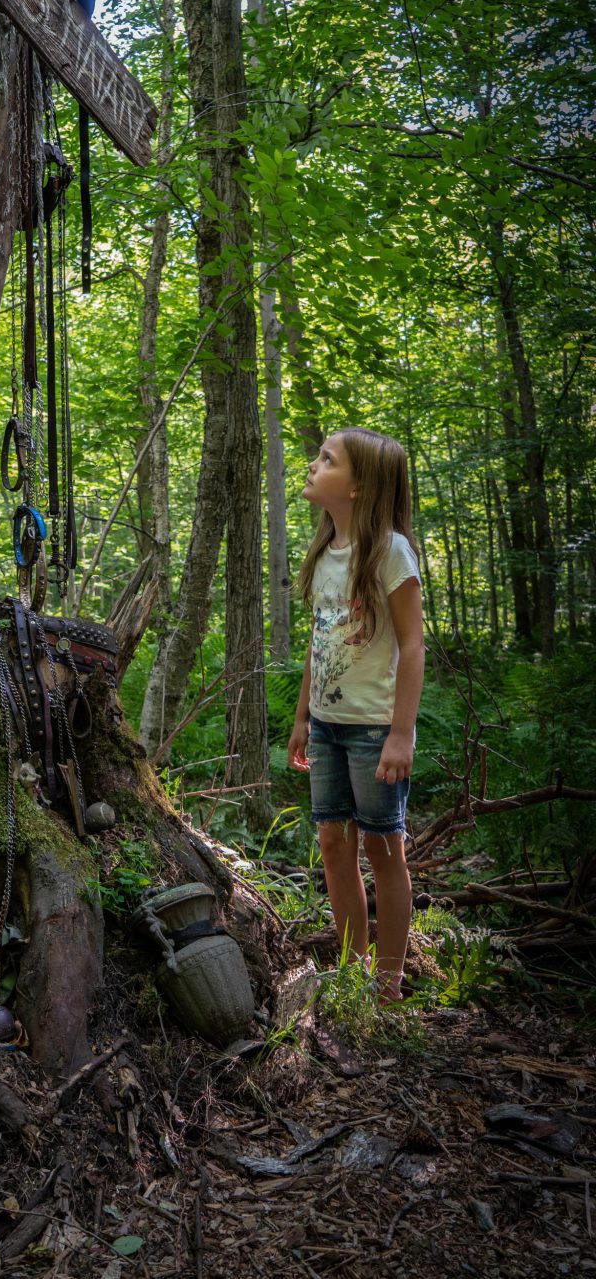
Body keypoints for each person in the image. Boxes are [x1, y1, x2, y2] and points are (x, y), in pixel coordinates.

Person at [287, 428, 425, 1003]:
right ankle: (352, 971)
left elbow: (413, 645)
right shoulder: (322, 553)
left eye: (327, 459)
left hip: (374, 729)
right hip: (326, 727)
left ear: (360, 484)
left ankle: (388, 982)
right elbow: (318, 647)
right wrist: (301, 718)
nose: (313, 464)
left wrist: (400, 733)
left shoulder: (390, 549)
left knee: (382, 848)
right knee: (331, 844)